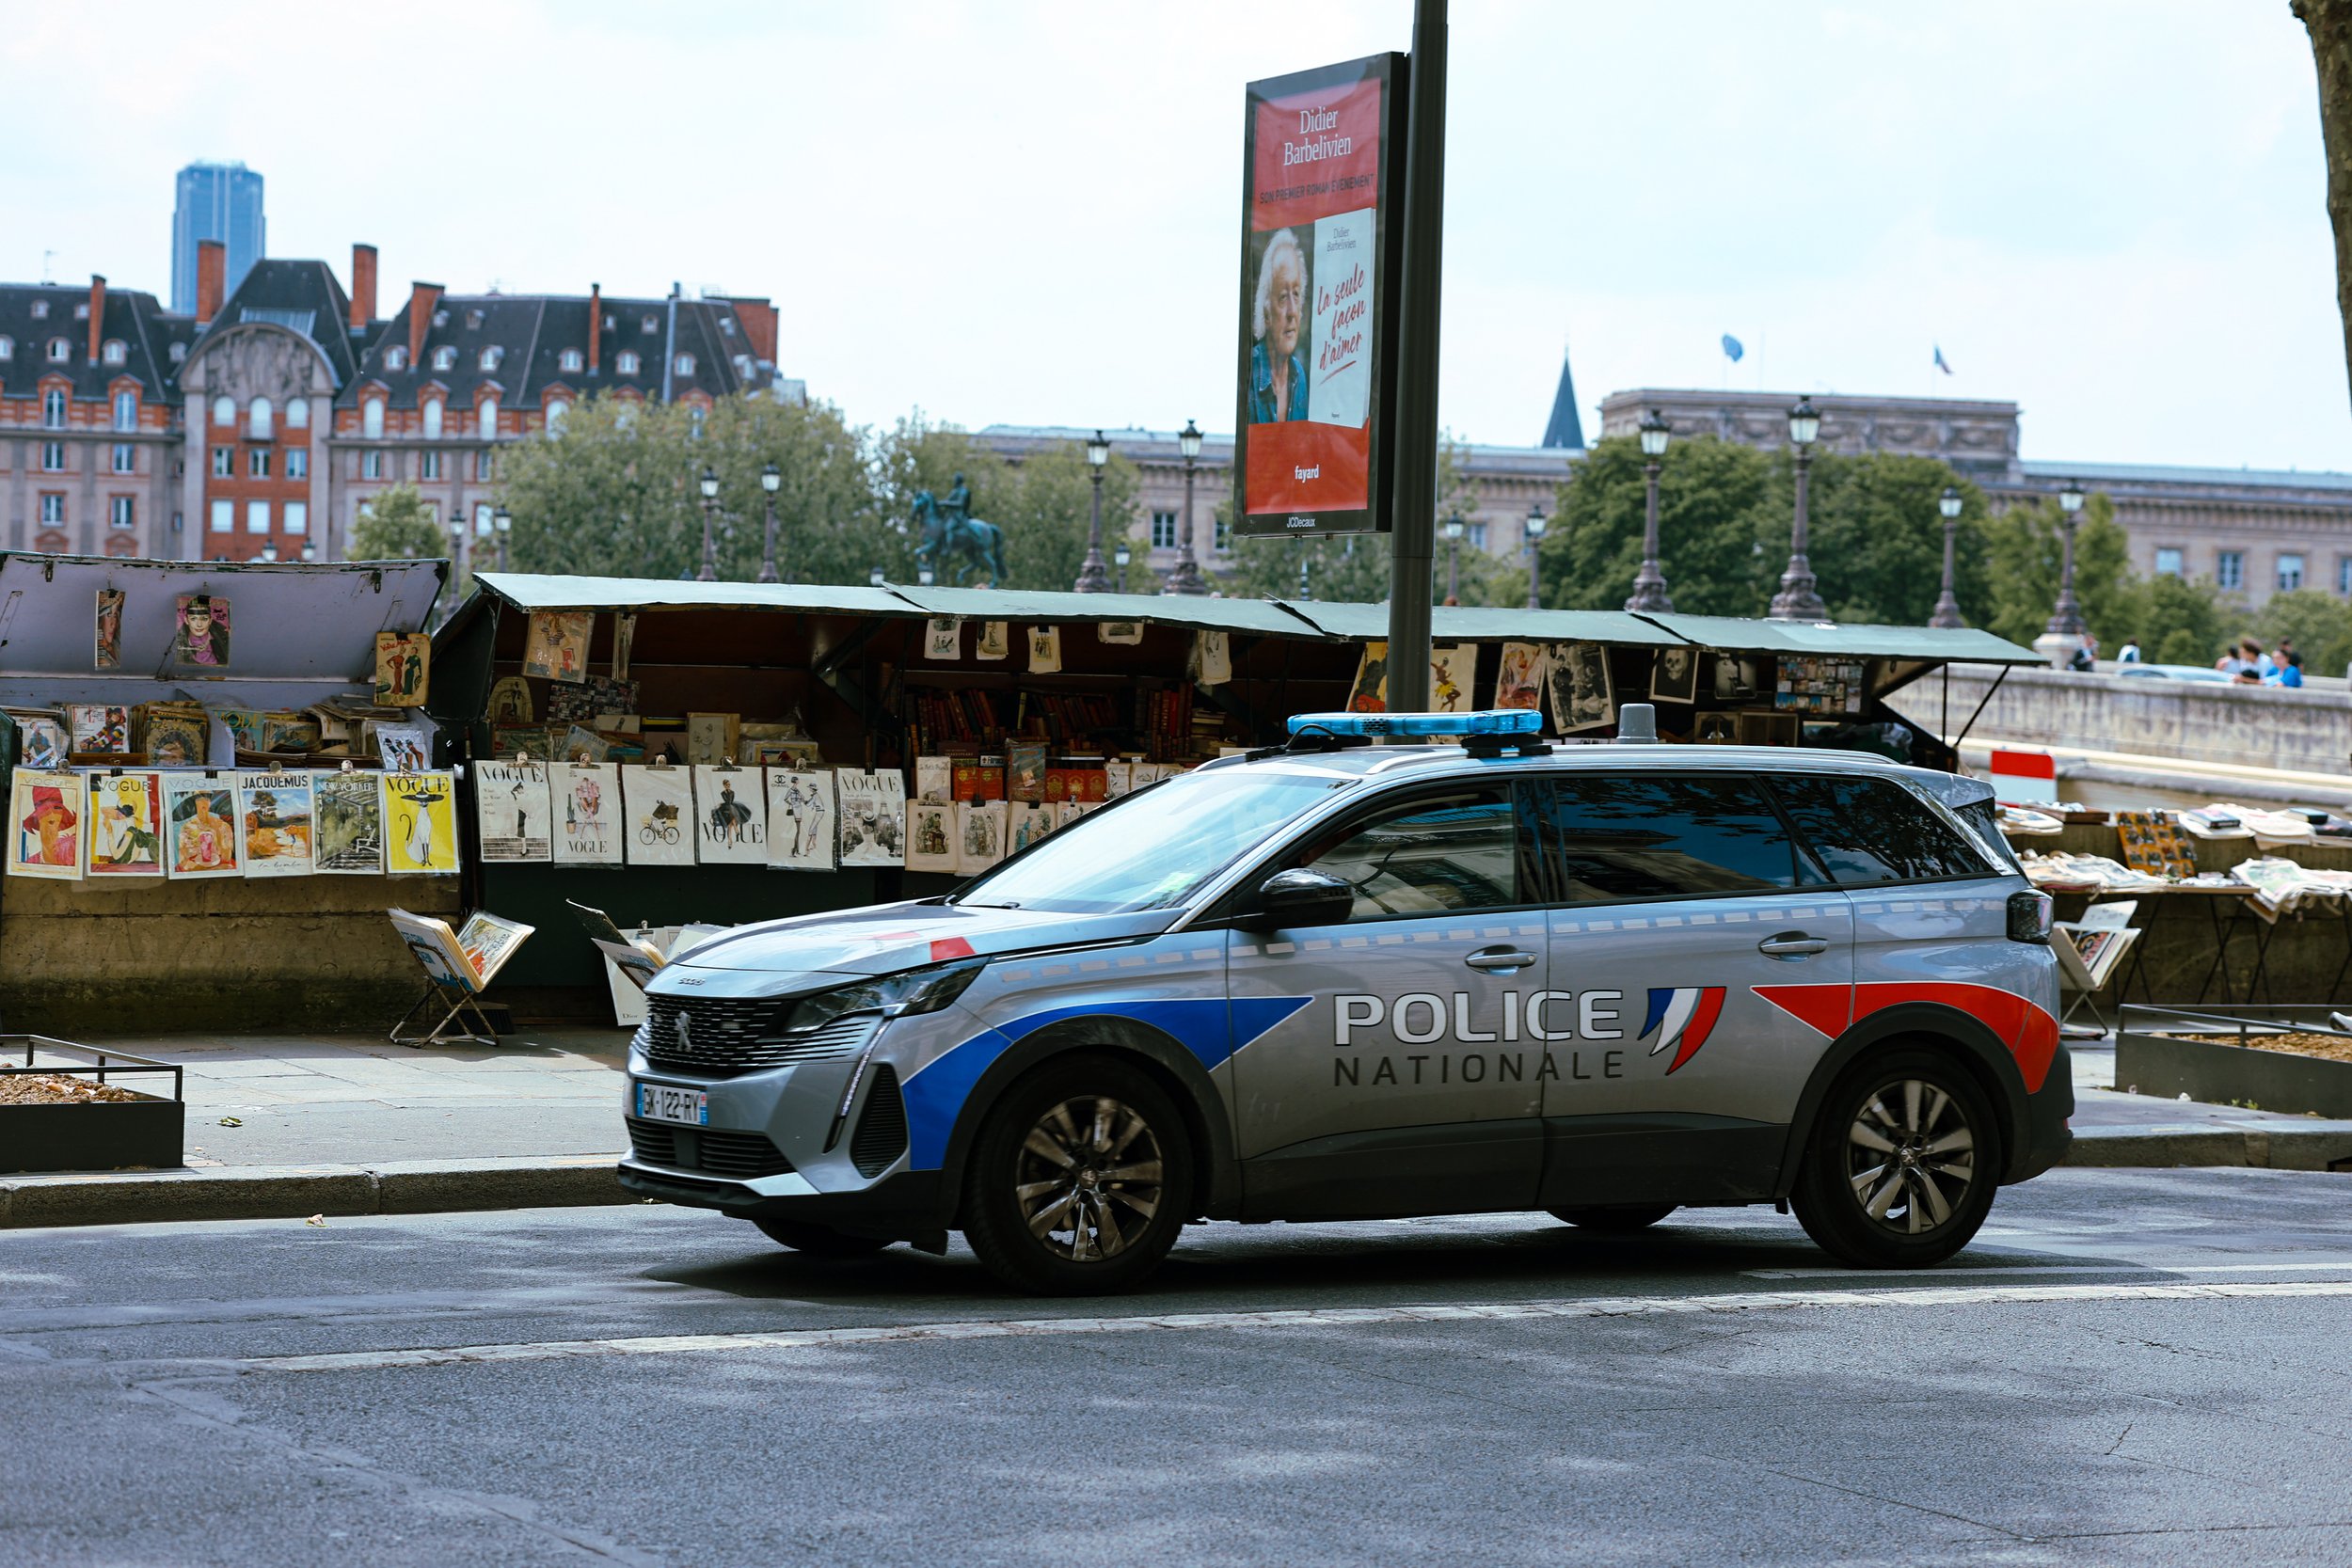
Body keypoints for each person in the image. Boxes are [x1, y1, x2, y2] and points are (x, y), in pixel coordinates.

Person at [1248, 230, 1310, 423]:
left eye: (1297, 294)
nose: (1292, 312)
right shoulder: (1250, 371)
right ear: (1266, 312)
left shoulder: (1299, 376)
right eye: (1283, 297)